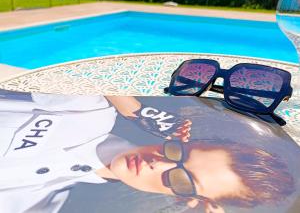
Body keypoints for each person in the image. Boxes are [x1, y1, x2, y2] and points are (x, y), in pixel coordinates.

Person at [0, 90, 295, 213]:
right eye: (178, 152)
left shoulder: (39, 203)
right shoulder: (86, 112)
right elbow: (79, 68)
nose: (158, 165)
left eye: (181, 181)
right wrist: (138, 112)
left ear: (191, 200)